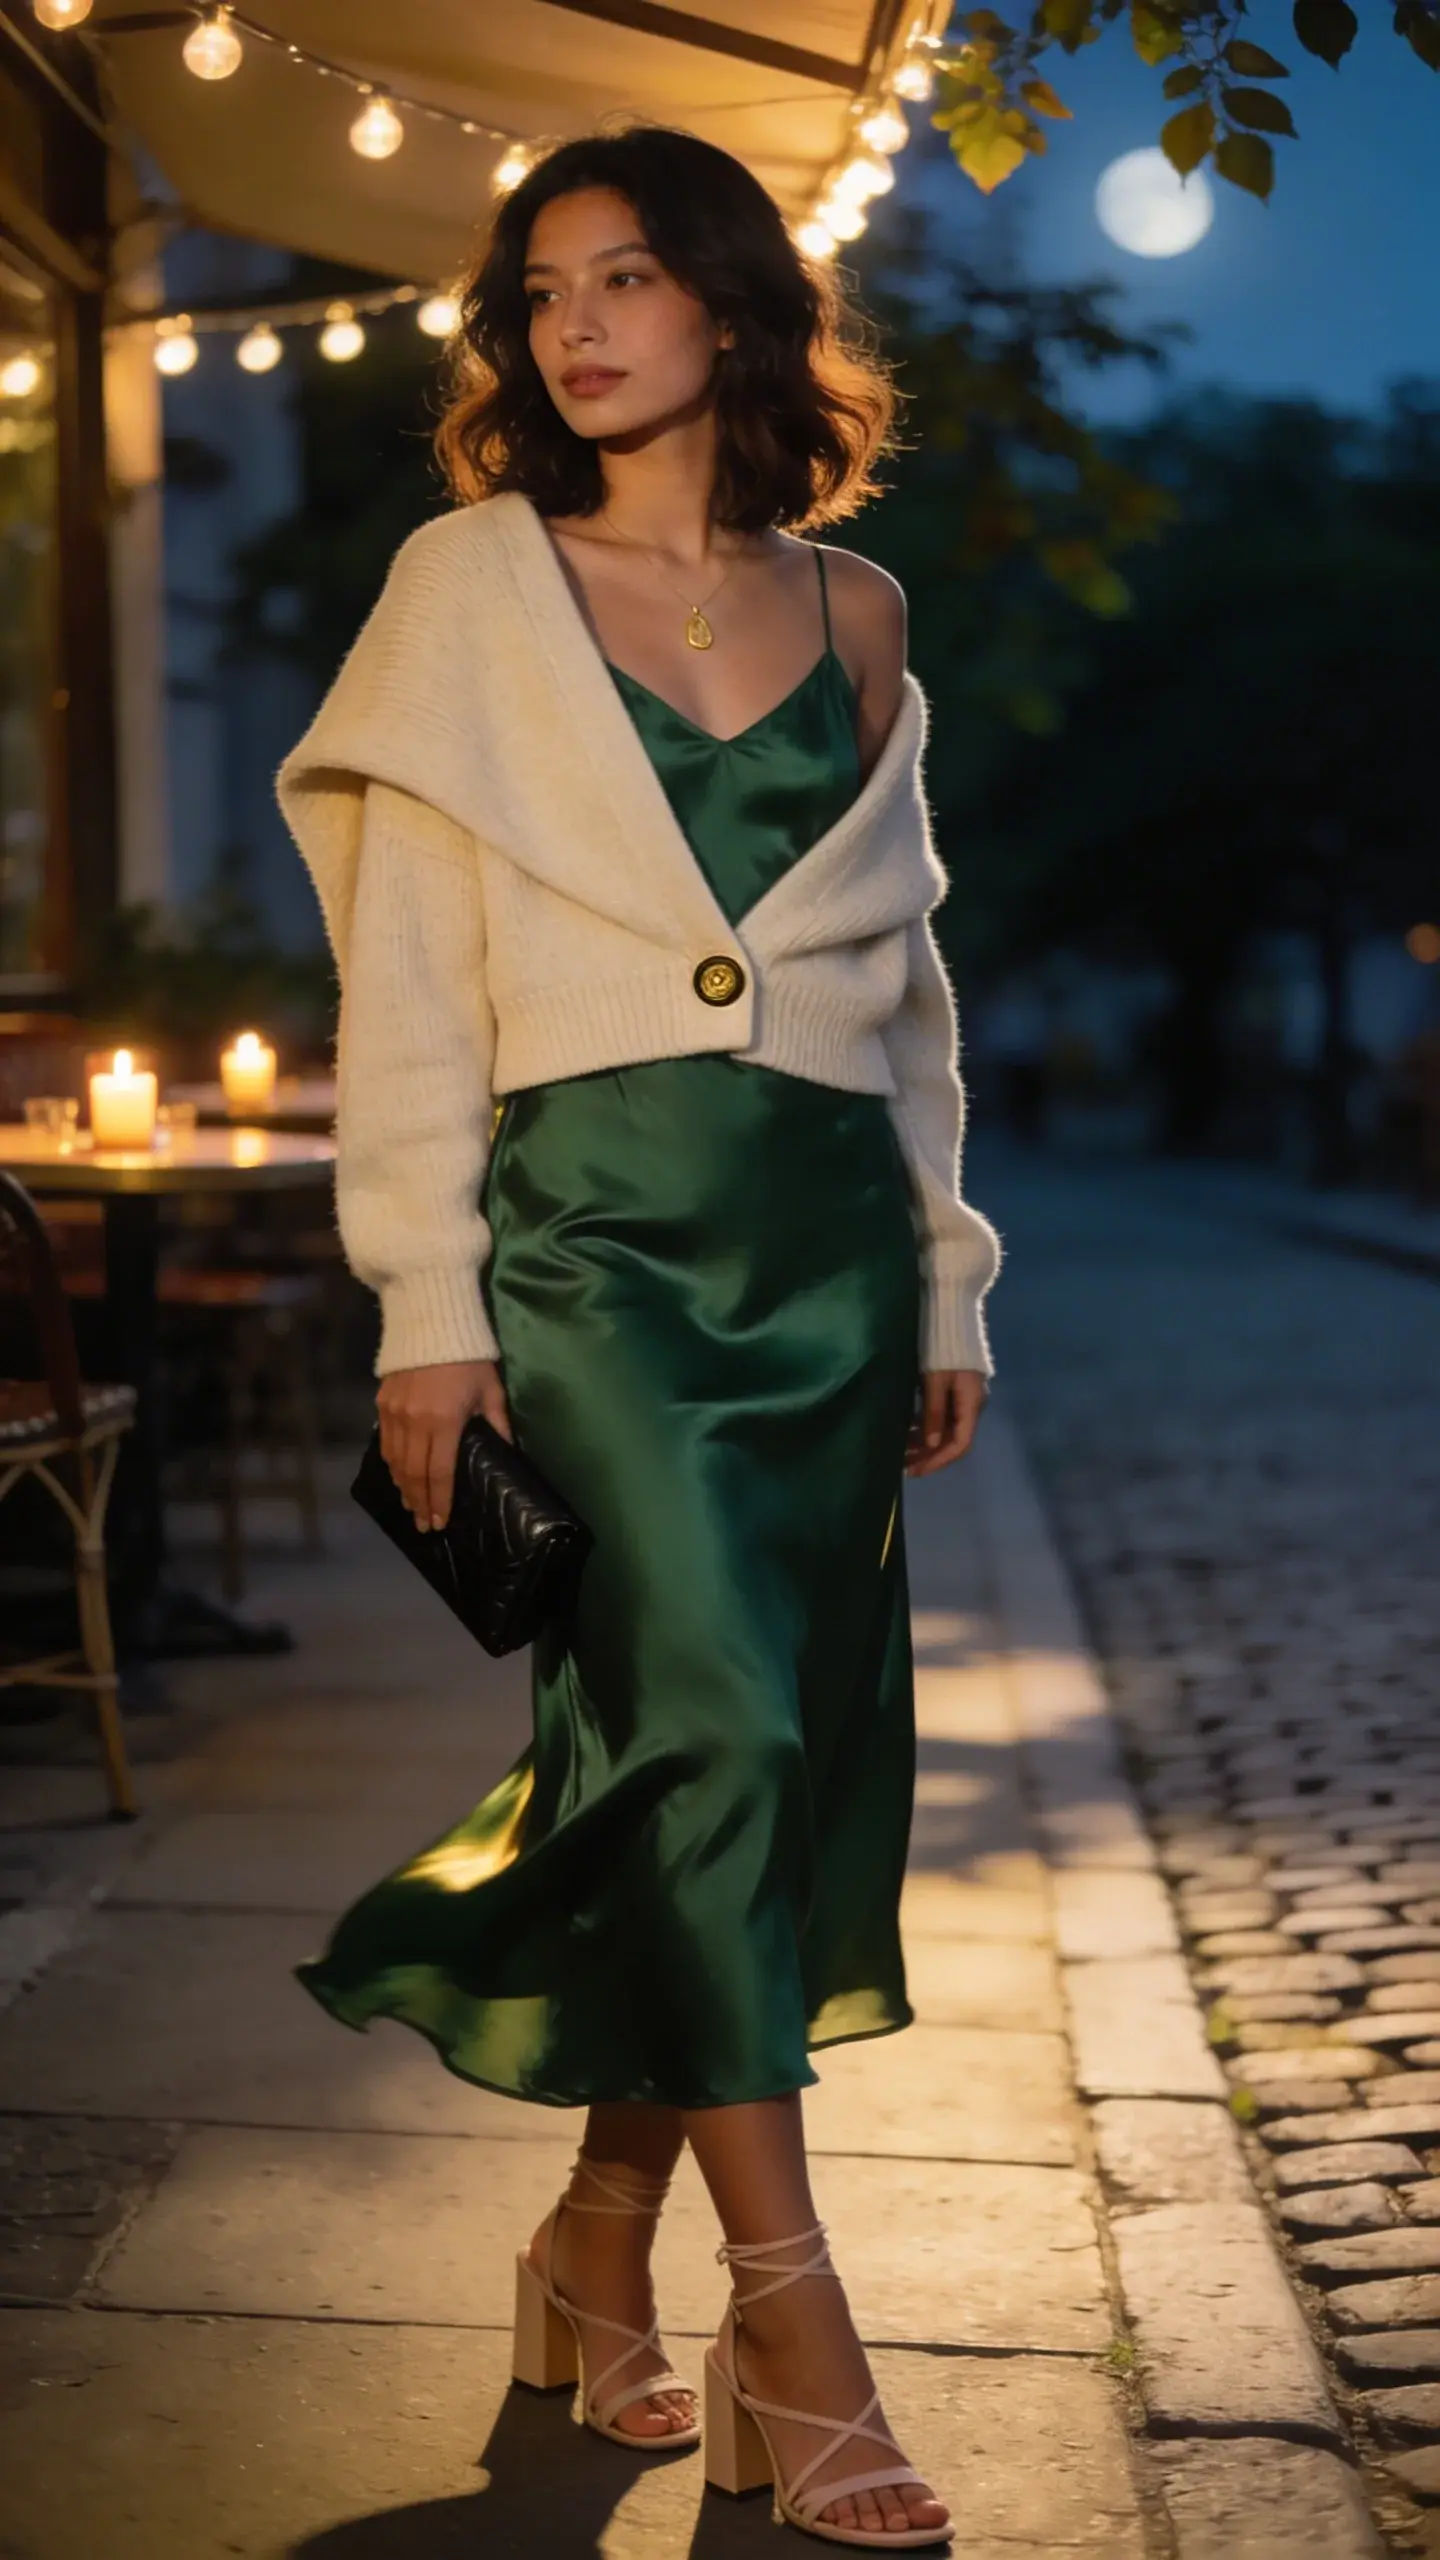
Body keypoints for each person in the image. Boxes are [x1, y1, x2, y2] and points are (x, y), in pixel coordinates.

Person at [277, 122, 1000, 2551]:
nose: (575, 325)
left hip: (818, 1264)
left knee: (742, 1765)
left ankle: (595, 2251)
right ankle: (793, 2324)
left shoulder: (866, 609)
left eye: (626, 278)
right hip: (590, 1257)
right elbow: (403, 994)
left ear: (728, 308)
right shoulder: (469, 586)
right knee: (700, 1729)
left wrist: (944, 1266)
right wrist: (424, 1302)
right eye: (542, 290)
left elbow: (906, 995)